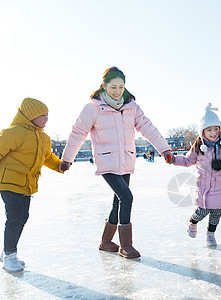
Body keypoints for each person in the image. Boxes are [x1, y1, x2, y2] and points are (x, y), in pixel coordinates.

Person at [62, 67, 174, 259]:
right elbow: (78, 133)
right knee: (127, 197)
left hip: (126, 159)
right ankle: (126, 245)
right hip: (106, 160)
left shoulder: (132, 106)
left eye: (121, 86)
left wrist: (164, 148)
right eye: (113, 87)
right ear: (104, 86)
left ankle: (106, 242)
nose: (117, 91)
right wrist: (67, 158)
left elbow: (147, 127)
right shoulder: (93, 108)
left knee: (118, 201)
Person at [0, 98, 67, 272]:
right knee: (15, 217)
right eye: (42, 116)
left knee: (23, 217)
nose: (46, 119)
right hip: (9, 182)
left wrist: (59, 165)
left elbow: (47, 157)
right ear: (30, 115)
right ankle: (9, 255)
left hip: (28, 184)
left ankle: (8, 250)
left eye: (47, 116)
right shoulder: (14, 132)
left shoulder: (43, 137)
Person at [172, 103, 221, 247]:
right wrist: (173, 159)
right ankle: (192, 222)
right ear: (202, 131)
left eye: (216, 129)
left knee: (217, 212)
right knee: (202, 211)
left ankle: (210, 234)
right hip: (203, 185)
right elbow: (187, 161)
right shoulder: (198, 146)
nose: (213, 132)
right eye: (209, 129)